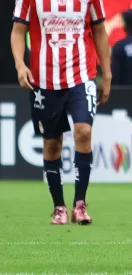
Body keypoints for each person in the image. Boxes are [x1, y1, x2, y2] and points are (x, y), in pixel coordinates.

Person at [11, 0, 112, 225]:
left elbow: (99, 30)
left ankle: (80, 204)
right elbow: (18, 30)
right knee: (52, 143)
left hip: (82, 76)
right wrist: (19, 64)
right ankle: (59, 207)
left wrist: (106, 74)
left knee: (84, 131)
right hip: (44, 81)